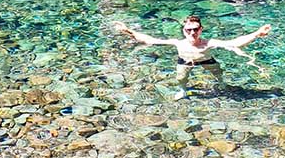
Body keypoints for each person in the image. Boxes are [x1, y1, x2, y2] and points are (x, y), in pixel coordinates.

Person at [112, 15, 271, 99]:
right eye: (189, 30)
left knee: (218, 73)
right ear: (184, 31)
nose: (192, 33)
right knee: (181, 78)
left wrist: (257, 33)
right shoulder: (178, 43)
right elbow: (149, 40)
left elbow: (235, 43)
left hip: (206, 59)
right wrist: (127, 31)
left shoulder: (209, 43)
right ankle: (182, 91)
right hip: (185, 62)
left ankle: (221, 84)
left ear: (201, 29)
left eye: (195, 29)